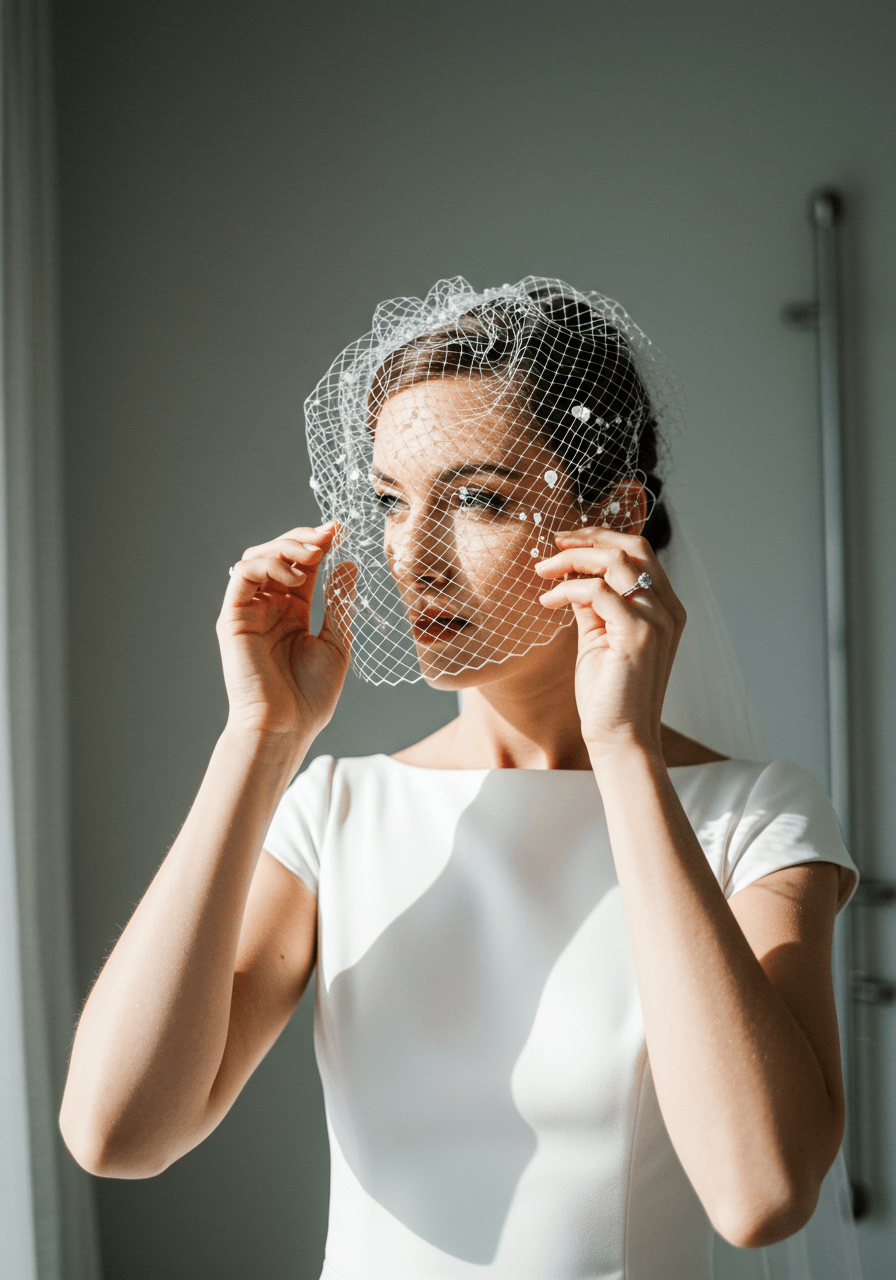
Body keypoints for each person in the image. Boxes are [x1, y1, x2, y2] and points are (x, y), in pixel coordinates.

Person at [60, 279, 858, 1280]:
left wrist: (625, 753)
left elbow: (760, 1194)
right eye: (393, 501)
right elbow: (116, 1133)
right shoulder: (336, 813)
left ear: (607, 517)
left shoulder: (753, 817)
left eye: (477, 498)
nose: (412, 555)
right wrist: (258, 739)